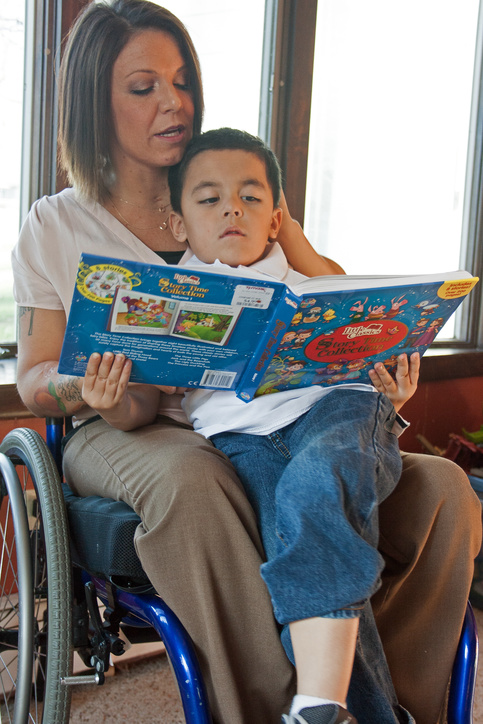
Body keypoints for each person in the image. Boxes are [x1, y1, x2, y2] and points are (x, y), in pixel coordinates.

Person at [10, 2, 481, 723]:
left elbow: (326, 306)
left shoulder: (237, 197)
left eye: (182, 81)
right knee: (194, 479)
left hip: (271, 412)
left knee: (445, 487)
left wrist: (380, 367)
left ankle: (392, 705)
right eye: (143, 88)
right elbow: (35, 377)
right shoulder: (57, 223)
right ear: (93, 103)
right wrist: (84, 384)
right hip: (128, 422)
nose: (173, 103)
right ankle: (271, 710)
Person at [165, 126, 418, 723]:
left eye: (251, 197)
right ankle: (347, 712)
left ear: (277, 218)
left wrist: (289, 233)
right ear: (178, 223)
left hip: (336, 410)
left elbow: (362, 314)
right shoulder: (175, 297)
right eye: (209, 199)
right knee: (294, 536)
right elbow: (147, 393)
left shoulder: (304, 277)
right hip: (239, 439)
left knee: (313, 485)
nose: (232, 207)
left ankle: (318, 703)